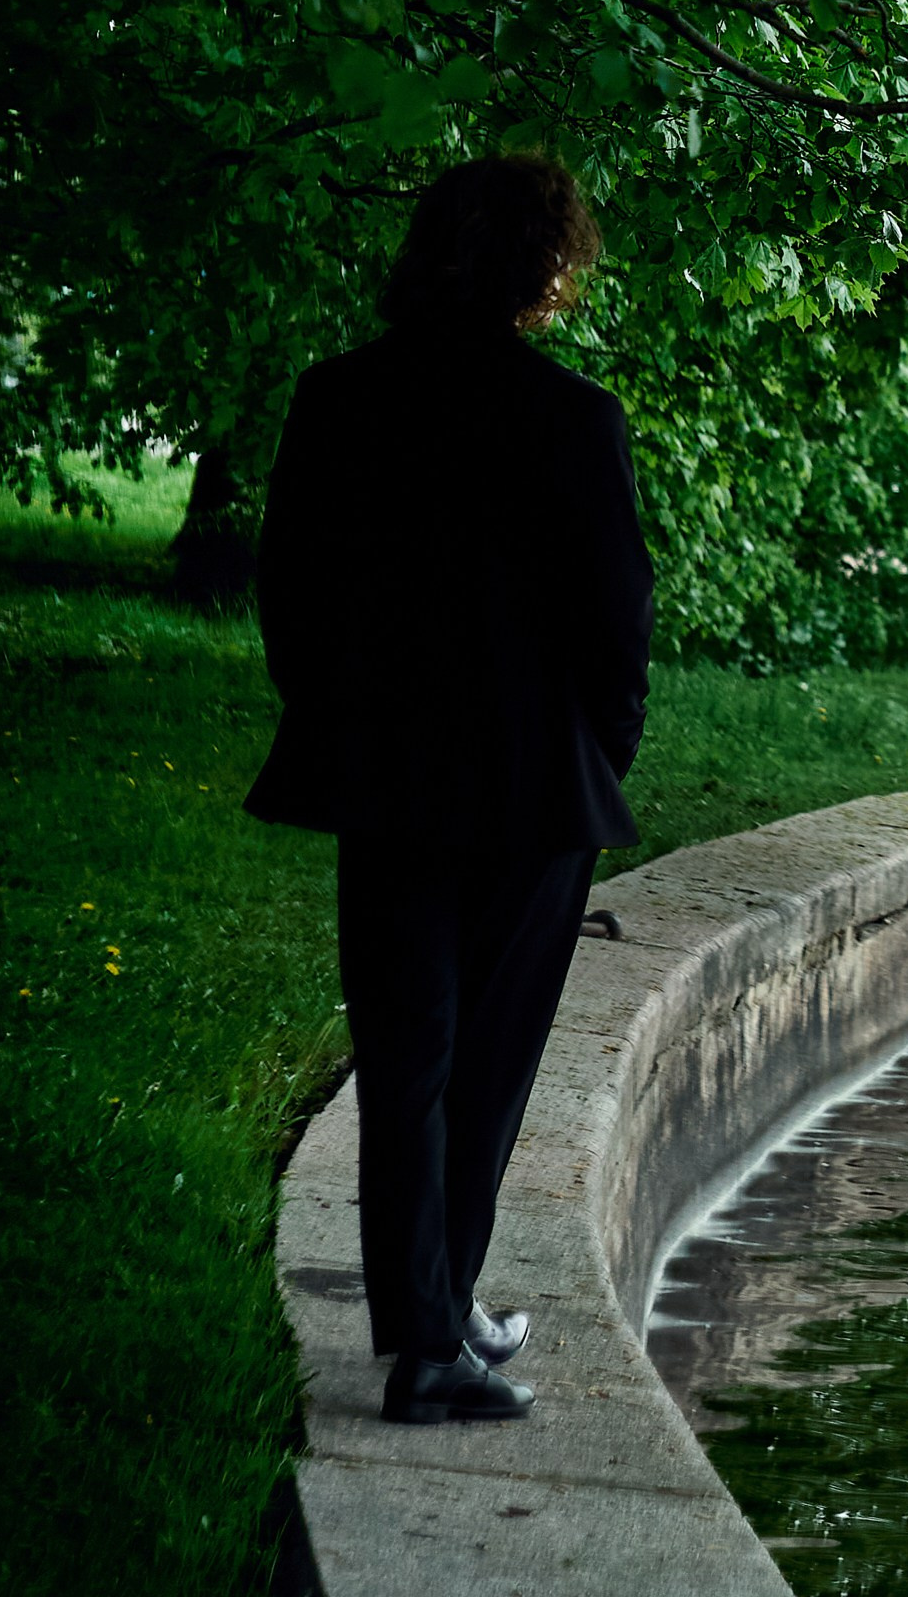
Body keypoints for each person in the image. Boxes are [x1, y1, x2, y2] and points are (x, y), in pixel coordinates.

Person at [247, 152, 653, 1422]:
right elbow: (617, 623)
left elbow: (289, 592)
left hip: (382, 773)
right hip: (532, 788)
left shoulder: (340, 396)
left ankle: (436, 1314)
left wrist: (340, 720)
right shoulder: (573, 417)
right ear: (546, 266)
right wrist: (599, 756)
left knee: (407, 1056)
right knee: (483, 1068)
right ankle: (430, 1341)